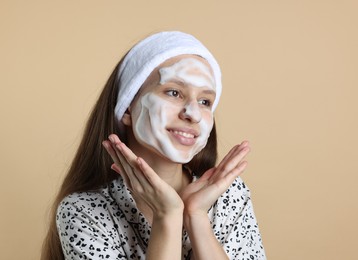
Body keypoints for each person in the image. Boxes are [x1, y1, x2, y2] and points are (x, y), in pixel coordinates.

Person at [41, 31, 266, 260]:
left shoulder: (230, 195)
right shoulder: (85, 211)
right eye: (174, 92)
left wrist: (197, 217)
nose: (193, 114)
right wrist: (166, 216)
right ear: (128, 107)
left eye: (205, 101)